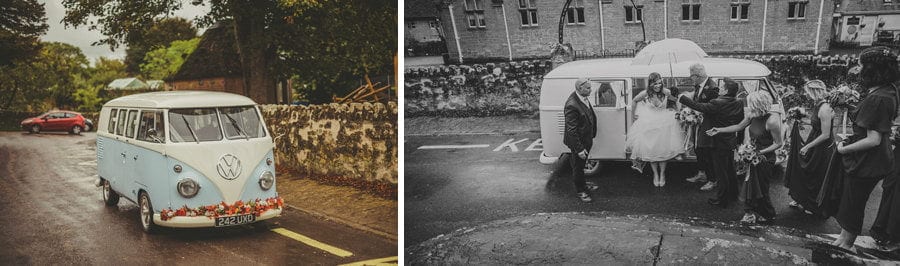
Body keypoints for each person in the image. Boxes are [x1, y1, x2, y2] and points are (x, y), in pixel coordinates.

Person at [832, 46, 900, 251]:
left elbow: (873, 139)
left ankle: (846, 244)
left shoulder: (878, 97)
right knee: (851, 200)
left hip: (868, 160)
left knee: (854, 202)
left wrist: (844, 149)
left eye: (861, 65)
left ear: (872, 69)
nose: (859, 69)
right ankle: (843, 238)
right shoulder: (888, 90)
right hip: (875, 158)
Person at [708, 91, 784, 224]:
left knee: (761, 188)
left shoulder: (772, 121)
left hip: (765, 159)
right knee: (749, 185)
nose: (748, 106)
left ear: (758, 104)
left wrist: (758, 153)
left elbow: (778, 144)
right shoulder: (752, 115)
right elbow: (738, 126)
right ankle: (749, 213)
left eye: (751, 104)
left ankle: (768, 214)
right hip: (751, 156)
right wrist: (719, 130)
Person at [669, 78, 745, 207]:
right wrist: (739, 141)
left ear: (726, 90)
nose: (719, 89)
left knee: (721, 172)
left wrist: (681, 96)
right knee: (730, 170)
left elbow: (699, 106)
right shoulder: (738, 102)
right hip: (729, 140)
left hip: (717, 141)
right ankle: (733, 195)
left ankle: (722, 200)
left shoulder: (717, 102)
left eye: (722, 87)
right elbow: (740, 121)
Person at [627, 72, 685, 187]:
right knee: (652, 151)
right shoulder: (645, 93)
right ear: (650, 84)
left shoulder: (666, 92)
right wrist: (633, 115)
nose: (658, 86)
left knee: (662, 151)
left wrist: (677, 111)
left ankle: (662, 174)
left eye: (659, 83)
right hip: (649, 124)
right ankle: (655, 175)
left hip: (664, 124)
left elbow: (678, 100)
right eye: (655, 84)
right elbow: (634, 101)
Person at [785, 80, 833, 216]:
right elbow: (815, 120)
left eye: (807, 92)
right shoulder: (817, 104)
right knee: (804, 170)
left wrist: (807, 146)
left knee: (814, 174)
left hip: (822, 146)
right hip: (814, 139)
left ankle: (811, 204)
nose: (805, 94)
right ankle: (801, 198)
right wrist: (799, 114)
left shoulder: (825, 109)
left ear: (814, 92)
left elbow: (825, 134)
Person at [684, 63, 720, 192]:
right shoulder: (699, 85)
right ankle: (701, 173)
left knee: (707, 152)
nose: (690, 78)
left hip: (708, 125)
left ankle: (712, 179)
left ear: (697, 76)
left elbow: (711, 108)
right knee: (698, 149)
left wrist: (696, 112)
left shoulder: (712, 88)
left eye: (691, 76)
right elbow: (697, 101)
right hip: (698, 124)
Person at [564, 78, 599, 203]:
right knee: (578, 167)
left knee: (581, 165)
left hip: (586, 139)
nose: (591, 90)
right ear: (580, 88)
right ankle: (581, 191)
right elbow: (571, 130)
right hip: (578, 143)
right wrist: (579, 149)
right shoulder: (571, 105)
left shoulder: (582, 97)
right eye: (588, 88)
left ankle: (583, 185)